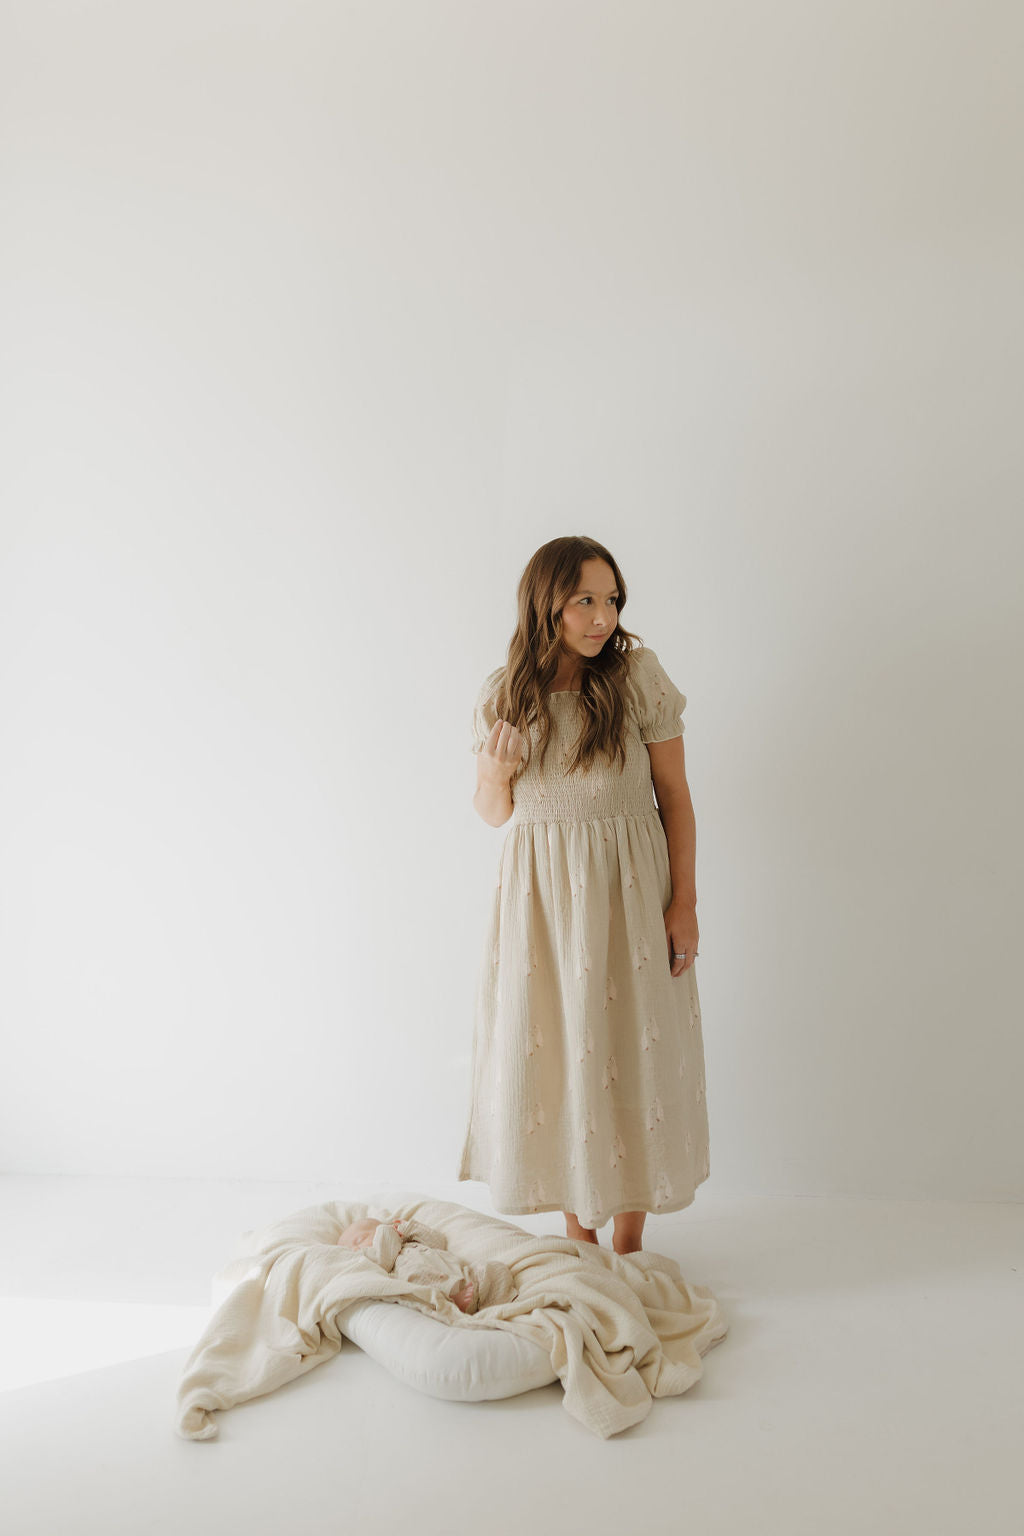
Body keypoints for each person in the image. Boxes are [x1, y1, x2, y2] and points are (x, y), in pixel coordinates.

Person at [456, 535, 709, 1255]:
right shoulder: (506, 694)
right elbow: (494, 813)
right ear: (547, 605)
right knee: (563, 1057)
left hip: (631, 899)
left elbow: (677, 800)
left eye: (612, 599)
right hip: (541, 911)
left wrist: (683, 904)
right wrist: (493, 772)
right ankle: (580, 1242)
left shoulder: (637, 679)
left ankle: (626, 1247)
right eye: (584, 601)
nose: (603, 617)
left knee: (633, 1053)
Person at [337, 1214, 517, 1314]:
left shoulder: (409, 1240)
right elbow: (383, 1258)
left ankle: (493, 1306)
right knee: (419, 1277)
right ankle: (455, 1299)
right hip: (428, 1282)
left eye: (359, 1239)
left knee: (496, 1269)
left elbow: (437, 1241)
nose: (356, 1248)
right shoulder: (376, 1257)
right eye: (352, 1248)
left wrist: (406, 1228)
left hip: (462, 1273)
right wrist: (386, 1232)